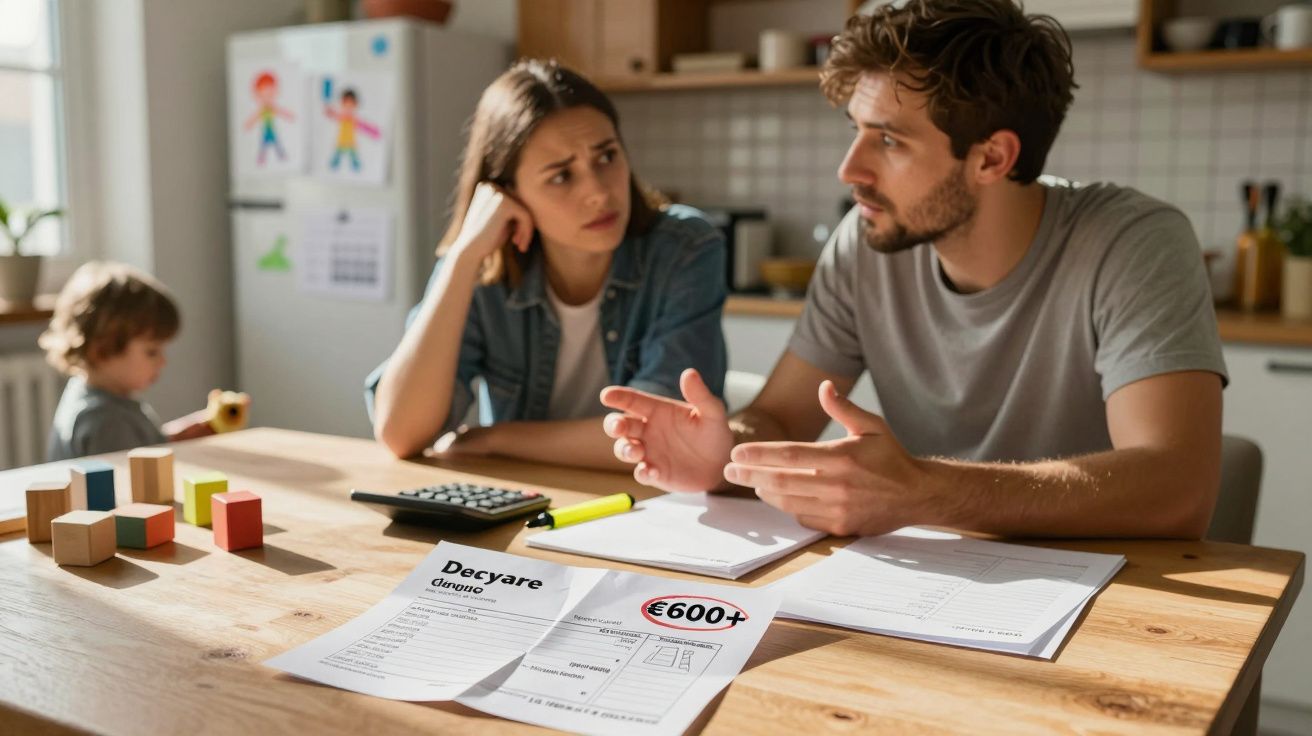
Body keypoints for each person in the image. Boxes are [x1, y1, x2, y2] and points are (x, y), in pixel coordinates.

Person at [602, 0, 1227, 539]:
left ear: (992, 157)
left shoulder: (1133, 243)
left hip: (1108, 596)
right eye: (856, 131)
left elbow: (1177, 487)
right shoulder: (864, 245)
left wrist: (923, 491)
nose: (850, 170)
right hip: (927, 586)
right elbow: (783, 419)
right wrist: (727, 450)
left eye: (890, 141)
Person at [367, 60, 727, 470]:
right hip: (523, 507)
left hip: (648, 504)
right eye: (561, 176)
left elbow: (664, 437)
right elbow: (400, 433)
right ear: (507, 191)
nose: (597, 192)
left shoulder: (683, 248)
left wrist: (496, 438)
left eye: (607, 156)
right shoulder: (483, 263)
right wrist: (462, 258)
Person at [41, 262, 216, 461]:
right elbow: (131, 485)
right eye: (152, 351)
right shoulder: (106, 421)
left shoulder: (97, 396)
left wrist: (172, 438)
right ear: (101, 350)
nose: (163, 361)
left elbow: (134, 450)